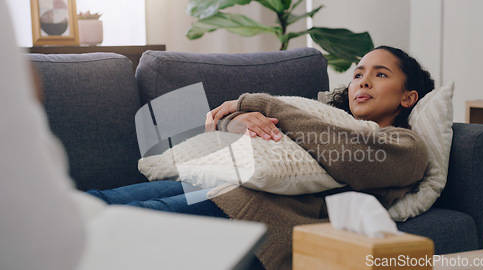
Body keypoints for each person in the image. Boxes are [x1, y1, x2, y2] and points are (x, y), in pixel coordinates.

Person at [87, 45, 435, 269]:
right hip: (217, 182)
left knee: (119, 224)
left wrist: (259, 104)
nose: (364, 82)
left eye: (381, 74)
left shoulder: (405, 146)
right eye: (358, 73)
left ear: (408, 98)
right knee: (98, 202)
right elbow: (244, 127)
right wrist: (235, 119)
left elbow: (346, 156)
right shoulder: (319, 115)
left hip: (251, 214)